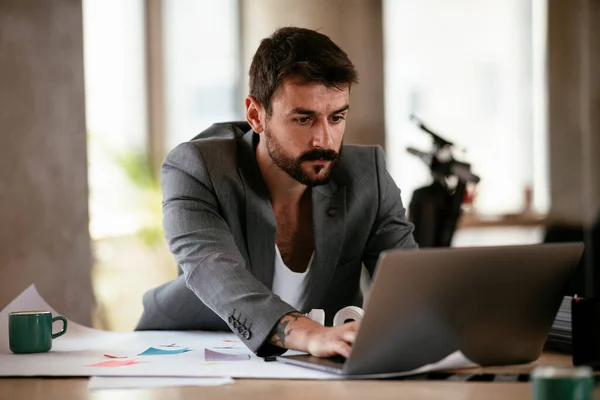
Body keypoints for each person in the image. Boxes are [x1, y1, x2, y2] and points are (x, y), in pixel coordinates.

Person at [136, 27, 417, 358]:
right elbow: (214, 270)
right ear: (256, 115)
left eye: (337, 117)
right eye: (303, 119)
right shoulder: (197, 168)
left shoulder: (367, 174)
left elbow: (410, 283)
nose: (324, 140)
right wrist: (308, 335)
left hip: (316, 369)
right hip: (190, 355)